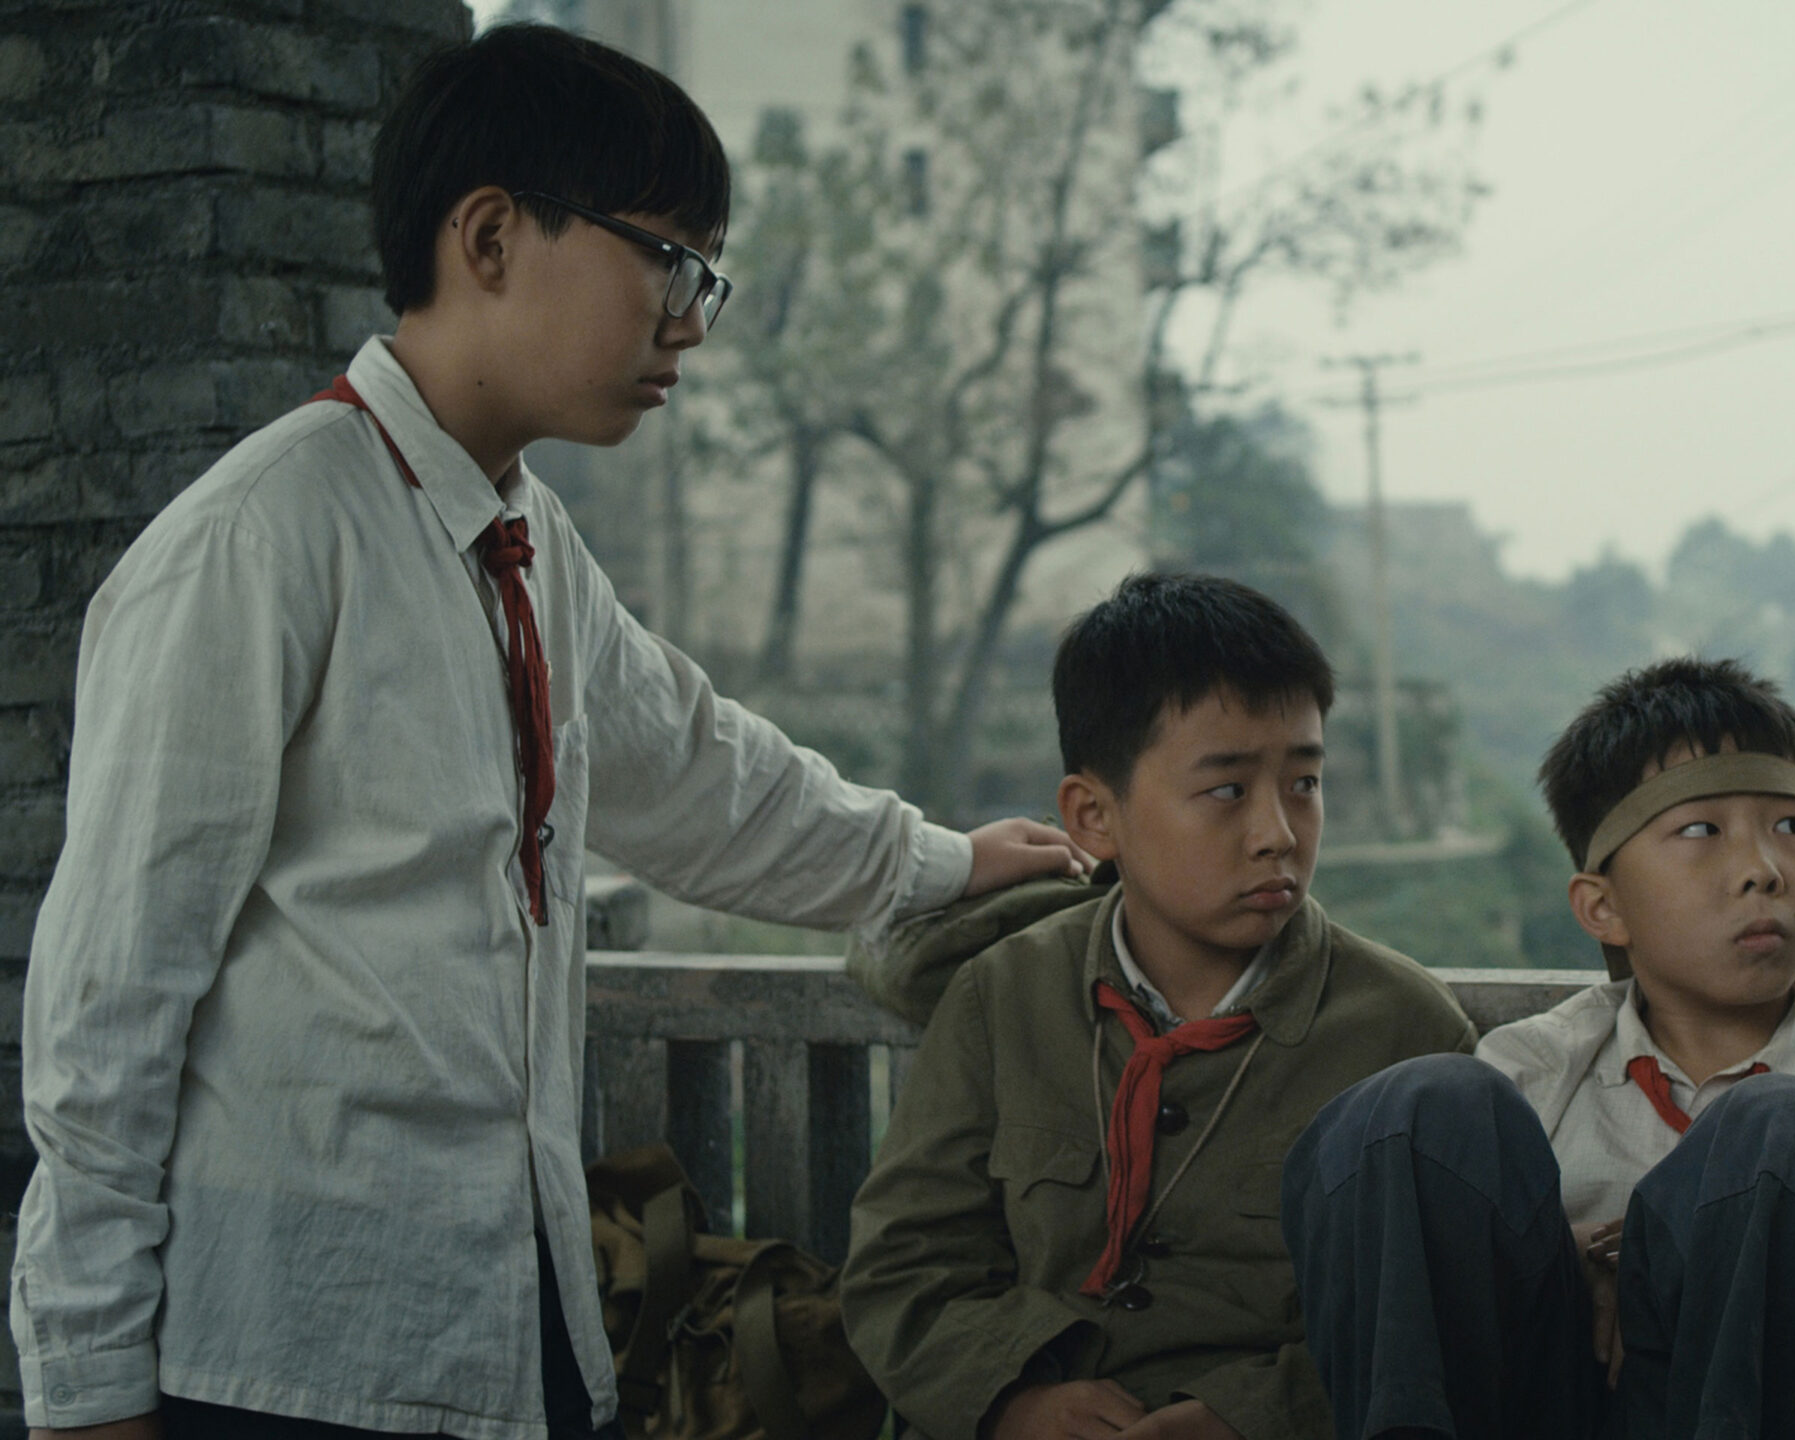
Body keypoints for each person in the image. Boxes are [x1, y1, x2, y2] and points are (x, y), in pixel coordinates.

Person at [8, 24, 1085, 1440]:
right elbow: (109, 1005)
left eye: (706, 278)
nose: (690, 322)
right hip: (287, 1357)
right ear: (492, 237)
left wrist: (943, 863)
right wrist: (88, 1388)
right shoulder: (258, 542)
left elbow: (699, 775)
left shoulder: (527, 542)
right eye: (668, 261)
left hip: (518, 1327)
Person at [840, 572, 1477, 1440]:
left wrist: (1248, 1417)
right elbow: (904, 1266)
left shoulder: (1403, 1034)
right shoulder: (1005, 994)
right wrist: (1014, 1402)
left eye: (1304, 783)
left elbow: (1437, 1320)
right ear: (1093, 816)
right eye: (1227, 790)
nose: (1278, 834)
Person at [1282, 656, 1795, 1440]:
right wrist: (1573, 1257)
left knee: (1794, 1131)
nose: (1763, 870)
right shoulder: (1532, 1070)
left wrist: (1659, 1262)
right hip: (1546, 1405)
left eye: (1793, 827)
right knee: (1418, 1108)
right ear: (1602, 908)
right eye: (1701, 830)